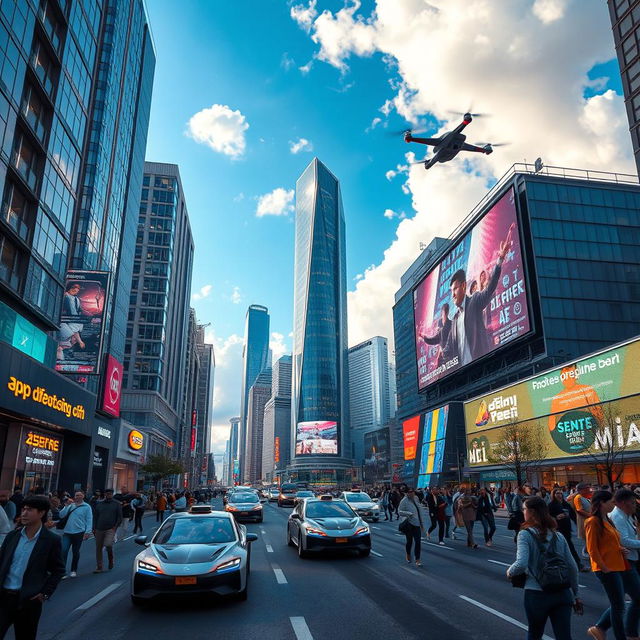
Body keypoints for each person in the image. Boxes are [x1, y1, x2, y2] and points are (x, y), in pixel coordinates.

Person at [506, 496, 580, 640]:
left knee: (535, 633)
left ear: (532, 512)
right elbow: (572, 567)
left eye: (524, 509)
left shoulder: (525, 535)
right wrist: (576, 594)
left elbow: (521, 564)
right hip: (562, 592)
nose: (523, 511)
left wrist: (510, 571)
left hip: (537, 593)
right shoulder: (558, 536)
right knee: (564, 636)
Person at [444, 224, 513, 365]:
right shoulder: (455, 319)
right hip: (465, 375)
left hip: (485, 366)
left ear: (463, 286)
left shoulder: (474, 301)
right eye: (451, 291)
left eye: (455, 289)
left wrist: (500, 260)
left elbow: (490, 288)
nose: (453, 295)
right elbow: (448, 348)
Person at [0, 495, 65, 639]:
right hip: (4, 597)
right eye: (23, 509)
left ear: (41, 513)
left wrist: (45, 593)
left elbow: (58, 570)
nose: (24, 513)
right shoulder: (12, 536)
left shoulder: (51, 540)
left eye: (29, 510)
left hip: (28, 601)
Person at [586, 490, 640, 640]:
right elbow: (592, 549)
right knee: (619, 606)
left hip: (618, 564)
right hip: (609, 568)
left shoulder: (607, 520)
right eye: (611, 501)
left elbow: (613, 541)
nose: (613, 504)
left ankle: (608, 630)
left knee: (619, 604)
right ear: (602, 503)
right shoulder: (594, 521)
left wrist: (619, 549)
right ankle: (621, 634)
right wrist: (604, 568)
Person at [58, 491, 92, 579]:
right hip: (67, 532)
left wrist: (88, 532)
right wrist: (66, 506)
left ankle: (73, 570)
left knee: (75, 551)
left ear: (83, 496)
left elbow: (89, 519)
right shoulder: (70, 505)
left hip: (79, 532)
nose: (78, 497)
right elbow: (61, 515)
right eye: (76, 495)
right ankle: (63, 571)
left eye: (80, 495)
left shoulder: (87, 507)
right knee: (64, 550)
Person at [548, 489, 584, 572]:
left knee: (563, 548)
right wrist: (556, 517)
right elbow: (547, 517)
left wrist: (579, 525)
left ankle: (569, 565)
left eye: (561, 493)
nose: (559, 495)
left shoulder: (565, 504)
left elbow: (573, 515)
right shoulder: (551, 505)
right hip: (557, 530)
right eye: (557, 493)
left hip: (567, 529)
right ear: (553, 494)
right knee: (569, 547)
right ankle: (578, 565)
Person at [93, 489, 122, 573]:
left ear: (112, 494)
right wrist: (94, 527)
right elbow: (95, 516)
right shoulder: (99, 503)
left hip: (110, 528)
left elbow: (120, 517)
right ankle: (99, 567)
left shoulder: (116, 504)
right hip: (99, 528)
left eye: (110, 494)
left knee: (108, 544)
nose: (108, 495)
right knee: (98, 548)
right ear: (105, 494)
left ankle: (111, 559)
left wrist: (115, 527)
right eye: (107, 493)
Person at [398, 488, 425, 567]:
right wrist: (408, 513)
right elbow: (399, 511)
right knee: (409, 541)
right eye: (410, 492)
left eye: (413, 492)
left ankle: (417, 559)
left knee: (418, 542)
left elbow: (419, 511)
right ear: (407, 493)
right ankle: (408, 553)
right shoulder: (404, 501)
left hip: (417, 524)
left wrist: (422, 524)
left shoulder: (416, 499)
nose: (412, 494)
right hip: (409, 523)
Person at [572, 482, 592, 560]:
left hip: (588, 520)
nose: (589, 489)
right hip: (584, 521)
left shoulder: (585, 497)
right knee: (588, 538)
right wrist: (591, 515)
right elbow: (579, 510)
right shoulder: (578, 497)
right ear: (582, 489)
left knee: (589, 538)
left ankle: (588, 551)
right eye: (587, 488)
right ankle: (587, 552)